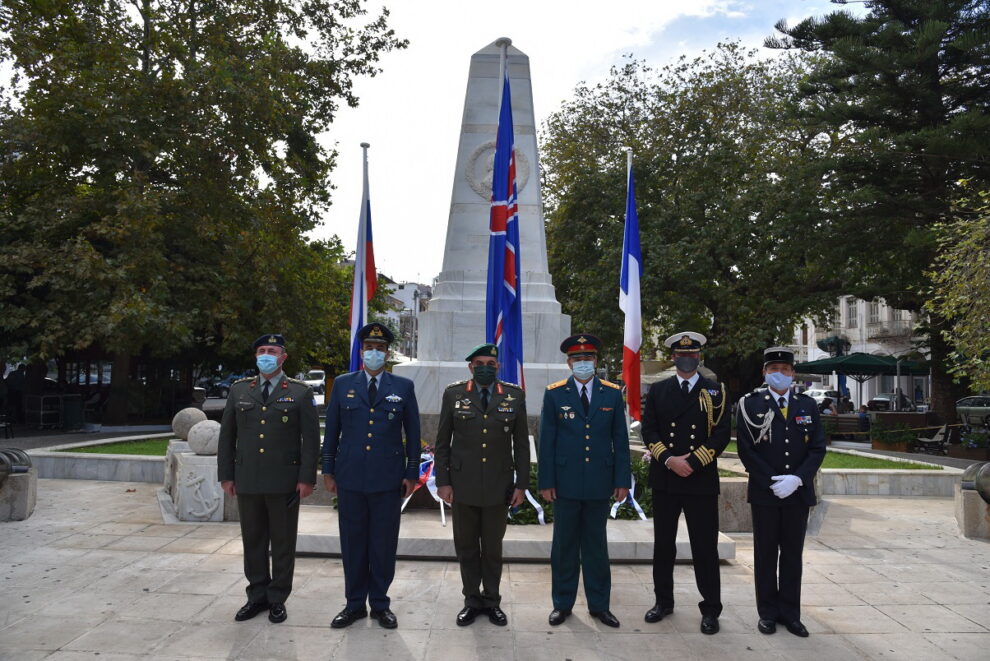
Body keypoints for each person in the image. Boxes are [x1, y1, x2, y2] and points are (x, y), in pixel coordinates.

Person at [322, 322, 421, 630]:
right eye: (369, 348)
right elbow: (332, 430)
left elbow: (413, 434)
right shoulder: (342, 384)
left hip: (388, 478)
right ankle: (354, 605)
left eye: (379, 349)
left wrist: (411, 473)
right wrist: (328, 468)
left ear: (387, 353)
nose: (374, 353)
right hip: (350, 476)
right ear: (361, 351)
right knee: (352, 543)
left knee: (382, 544)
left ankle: (380, 604)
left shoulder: (403, 387)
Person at [218, 334, 320, 624]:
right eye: (261, 350)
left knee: (283, 542)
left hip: (284, 481)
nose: (266, 355)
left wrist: (306, 478)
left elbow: (310, 441)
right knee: (253, 541)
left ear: (283, 357)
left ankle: (277, 598)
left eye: (272, 351)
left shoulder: (299, 392)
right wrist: (226, 475)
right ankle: (256, 596)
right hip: (247, 477)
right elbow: (227, 437)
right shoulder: (239, 390)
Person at [538, 334, 631, 628]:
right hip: (564, 483)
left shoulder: (612, 393)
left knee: (596, 547)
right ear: (568, 363)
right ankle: (562, 604)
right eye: (577, 359)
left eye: (588, 359)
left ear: (596, 362)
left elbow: (621, 440)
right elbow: (547, 441)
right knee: (564, 546)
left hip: (599, 483)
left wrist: (621, 480)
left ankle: (599, 605)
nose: (583, 364)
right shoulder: (554, 394)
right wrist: (546, 481)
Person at [434, 343, 529, 627]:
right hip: (463, 486)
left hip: (499, 487)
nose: (485, 367)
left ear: (498, 367)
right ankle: (471, 600)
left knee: (492, 548)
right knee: (465, 547)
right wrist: (443, 481)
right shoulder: (454, 394)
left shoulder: (513, 395)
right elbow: (442, 444)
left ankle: (492, 601)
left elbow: (521, 444)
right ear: (470, 367)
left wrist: (521, 484)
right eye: (479, 363)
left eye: (491, 363)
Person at [641, 331, 729, 635]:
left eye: (692, 354)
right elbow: (649, 431)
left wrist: (692, 462)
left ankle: (711, 609)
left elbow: (721, 434)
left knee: (705, 547)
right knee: (663, 545)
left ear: (699, 357)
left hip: (700, 478)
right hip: (666, 477)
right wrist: (669, 459)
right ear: (673, 358)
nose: (687, 358)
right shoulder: (658, 390)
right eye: (681, 354)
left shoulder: (715, 391)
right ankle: (663, 602)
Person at [736, 346, 826, 637]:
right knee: (765, 555)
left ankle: (791, 613)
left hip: (797, 493)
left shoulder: (807, 405)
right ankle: (768, 613)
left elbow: (817, 448)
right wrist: (773, 481)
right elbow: (746, 449)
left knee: (792, 555)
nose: (779, 374)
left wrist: (797, 479)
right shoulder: (750, 404)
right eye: (773, 369)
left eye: (785, 370)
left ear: (793, 373)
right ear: (764, 373)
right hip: (766, 492)